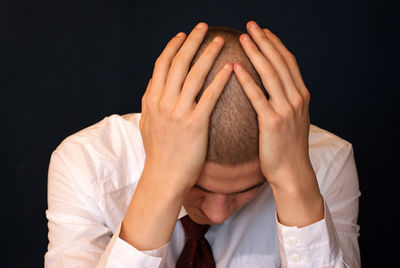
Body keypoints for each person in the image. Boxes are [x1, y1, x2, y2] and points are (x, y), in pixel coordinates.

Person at [44, 21, 361, 267]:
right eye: (198, 187)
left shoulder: (328, 162)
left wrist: (294, 181)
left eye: (245, 190)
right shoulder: (85, 163)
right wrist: (162, 182)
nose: (218, 212)